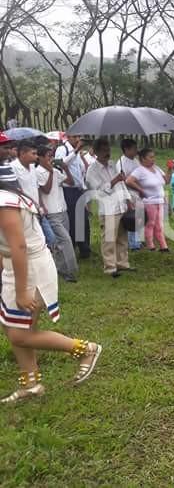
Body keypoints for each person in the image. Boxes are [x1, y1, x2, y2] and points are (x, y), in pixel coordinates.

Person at [0, 164, 101, 403]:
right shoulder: (10, 198)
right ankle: (31, 384)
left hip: (29, 269)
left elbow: (19, 247)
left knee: (19, 335)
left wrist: (24, 291)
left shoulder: (4, 202)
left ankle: (85, 349)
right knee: (13, 328)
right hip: (16, 267)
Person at [85, 139, 134, 278]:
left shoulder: (113, 165)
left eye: (108, 150)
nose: (107, 153)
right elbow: (99, 191)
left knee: (122, 237)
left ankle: (123, 263)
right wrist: (115, 180)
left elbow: (122, 184)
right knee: (109, 239)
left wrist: (128, 199)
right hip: (108, 208)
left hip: (120, 205)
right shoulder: (92, 170)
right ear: (96, 152)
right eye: (104, 150)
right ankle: (110, 267)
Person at [35, 146, 79, 283]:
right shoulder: (39, 172)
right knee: (66, 240)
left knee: (61, 242)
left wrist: (65, 168)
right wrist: (50, 173)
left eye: (52, 156)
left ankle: (61, 269)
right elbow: (46, 190)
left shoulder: (55, 170)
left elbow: (71, 182)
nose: (51, 159)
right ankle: (71, 270)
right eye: (48, 156)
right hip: (52, 212)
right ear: (40, 158)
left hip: (62, 209)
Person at [125, 148, 171, 252]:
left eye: (153, 157)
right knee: (151, 223)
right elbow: (129, 181)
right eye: (150, 157)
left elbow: (166, 181)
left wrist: (169, 169)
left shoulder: (157, 168)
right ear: (143, 159)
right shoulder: (140, 170)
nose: (153, 159)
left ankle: (163, 246)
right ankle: (151, 246)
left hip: (160, 200)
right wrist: (140, 190)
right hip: (149, 201)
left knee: (159, 224)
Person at [54, 135, 91, 259]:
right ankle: (72, 248)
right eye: (75, 137)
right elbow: (59, 164)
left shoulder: (78, 153)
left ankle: (85, 249)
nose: (78, 139)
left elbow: (80, 172)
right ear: (68, 137)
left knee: (84, 220)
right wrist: (75, 151)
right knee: (73, 220)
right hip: (68, 190)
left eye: (79, 137)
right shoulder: (62, 149)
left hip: (78, 190)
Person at [116, 139, 142, 250]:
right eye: (134, 148)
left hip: (138, 192)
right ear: (126, 149)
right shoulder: (121, 163)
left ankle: (138, 240)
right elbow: (122, 181)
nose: (136, 150)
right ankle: (133, 244)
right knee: (131, 218)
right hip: (129, 193)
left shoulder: (136, 161)